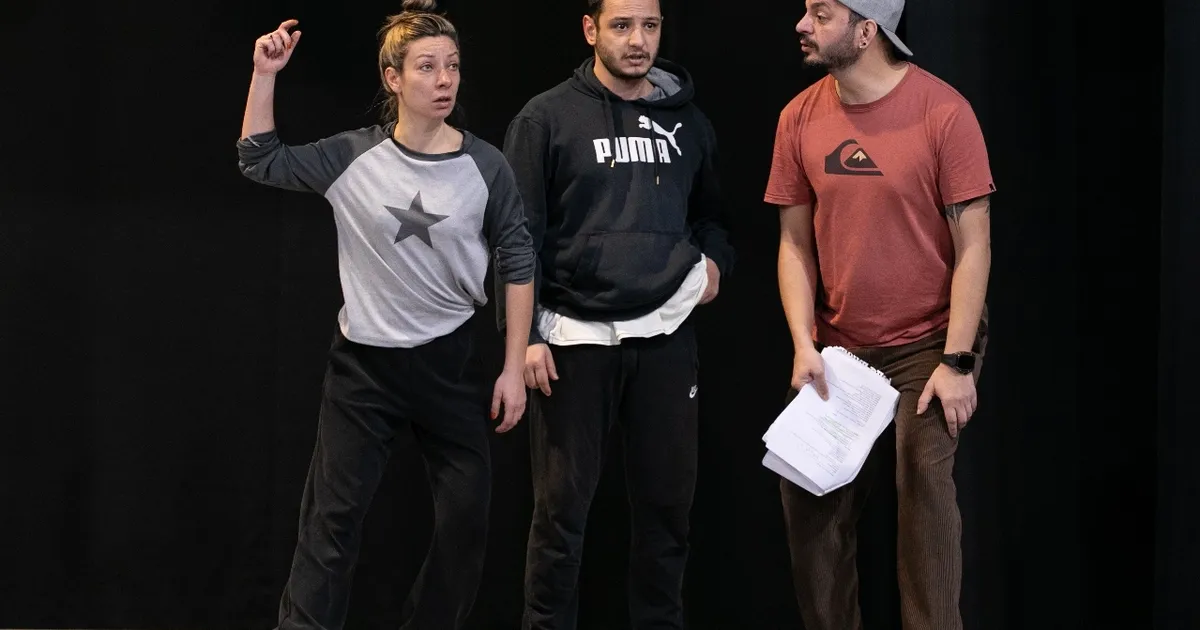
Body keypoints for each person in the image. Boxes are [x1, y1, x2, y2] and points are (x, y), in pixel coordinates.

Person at [235, 2, 536, 628]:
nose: (445, 80)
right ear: (392, 78)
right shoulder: (353, 156)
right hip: (364, 372)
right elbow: (259, 158)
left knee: (465, 522)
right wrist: (265, 75)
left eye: (453, 65)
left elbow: (518, 259)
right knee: (332, 524)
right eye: (427, 67)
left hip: (449, 365)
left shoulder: (485, 166)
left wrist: (513, 366)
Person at [497, 1, 735, 628]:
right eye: (622, 26)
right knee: (560, 518)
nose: (638, 40)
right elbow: (516, 237)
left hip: (665, 338)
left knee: (667, 516)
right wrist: (525, 337)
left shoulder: (689, 122)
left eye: (649, 26)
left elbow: (712, 217)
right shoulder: (545, 118)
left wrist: (715, 263)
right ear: (590, 29)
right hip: (571, 340)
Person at [765, 0, 994, 628]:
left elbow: (975, 247)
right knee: (808, 492)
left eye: (821, 14)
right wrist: (803, 343)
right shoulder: (799, 116)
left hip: (930, 338)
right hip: (840, 344)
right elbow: (793, 244)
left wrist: (957, 361)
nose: (802, 25)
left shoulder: (943, 112)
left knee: (923, 482)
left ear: (867, 31)